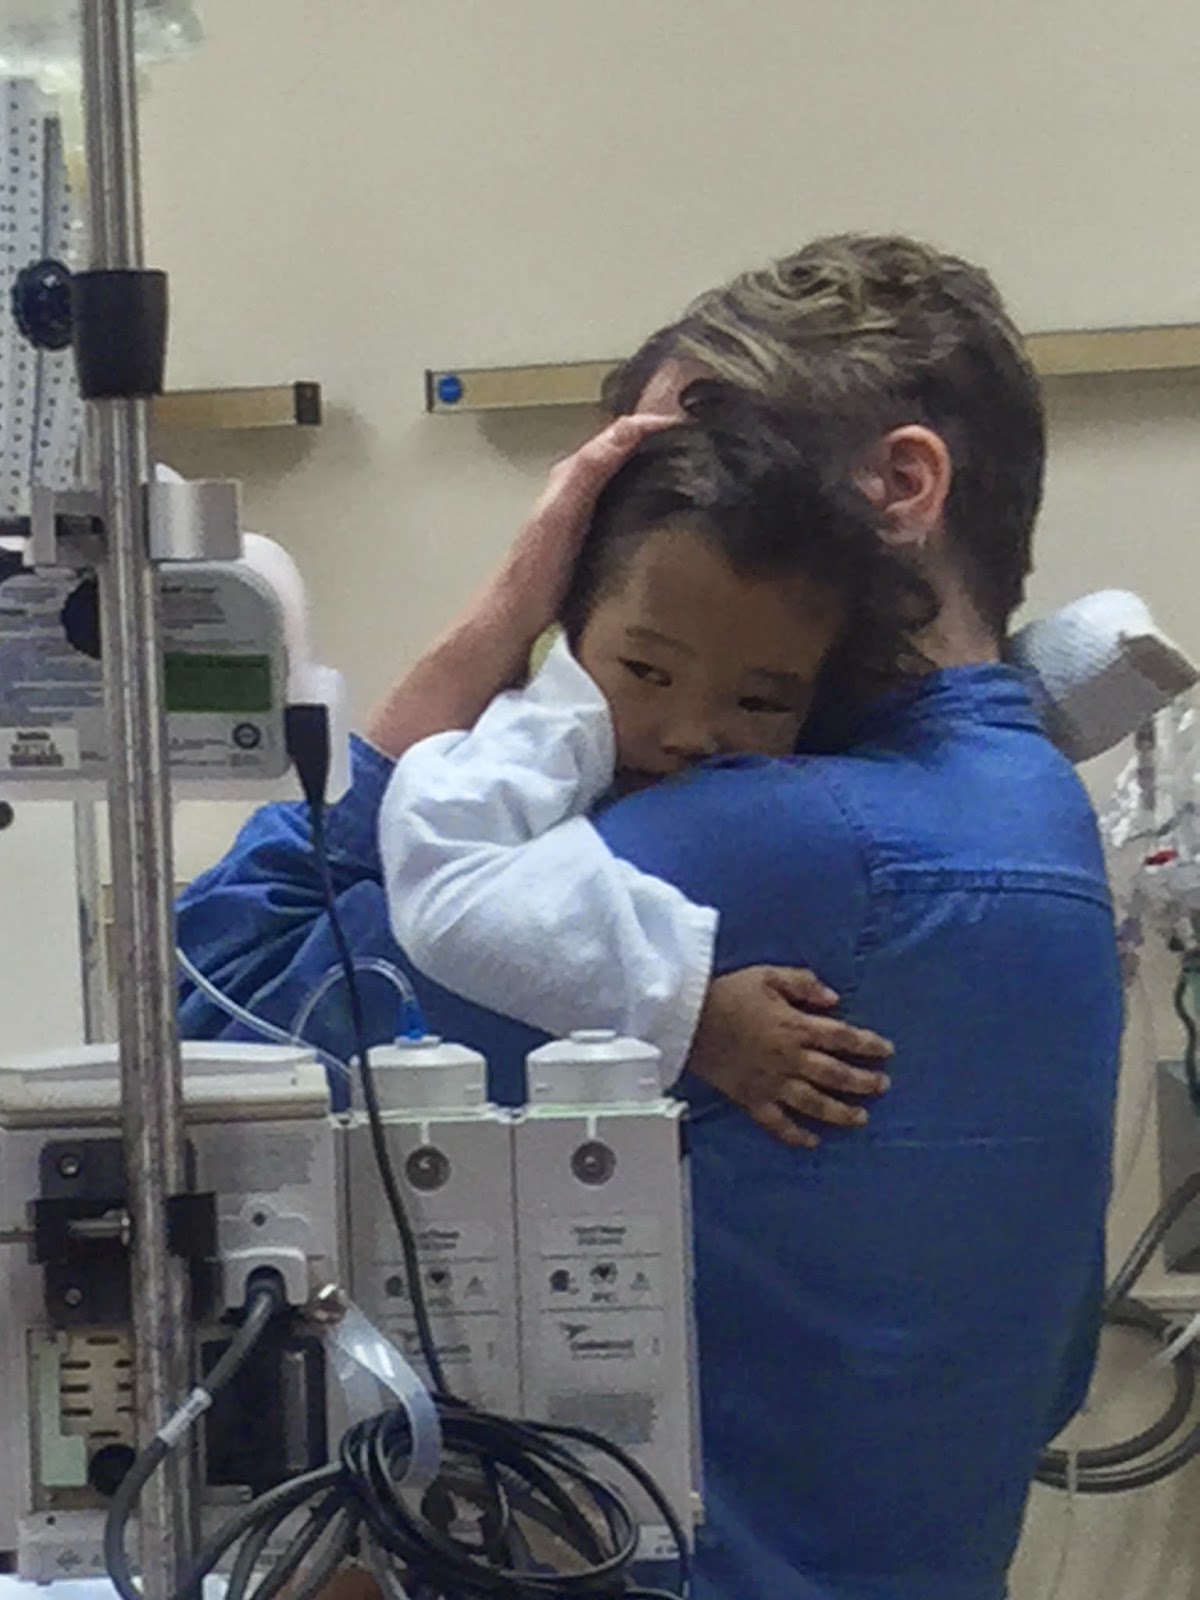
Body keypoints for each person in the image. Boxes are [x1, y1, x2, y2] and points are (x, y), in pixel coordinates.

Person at [178, 233, 1123, 1600]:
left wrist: (504, 616)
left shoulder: (769, 839)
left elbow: (223, 1001)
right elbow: (1051, 1373)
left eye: (682, 467)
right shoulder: (1039, 818)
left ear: (900, 487)